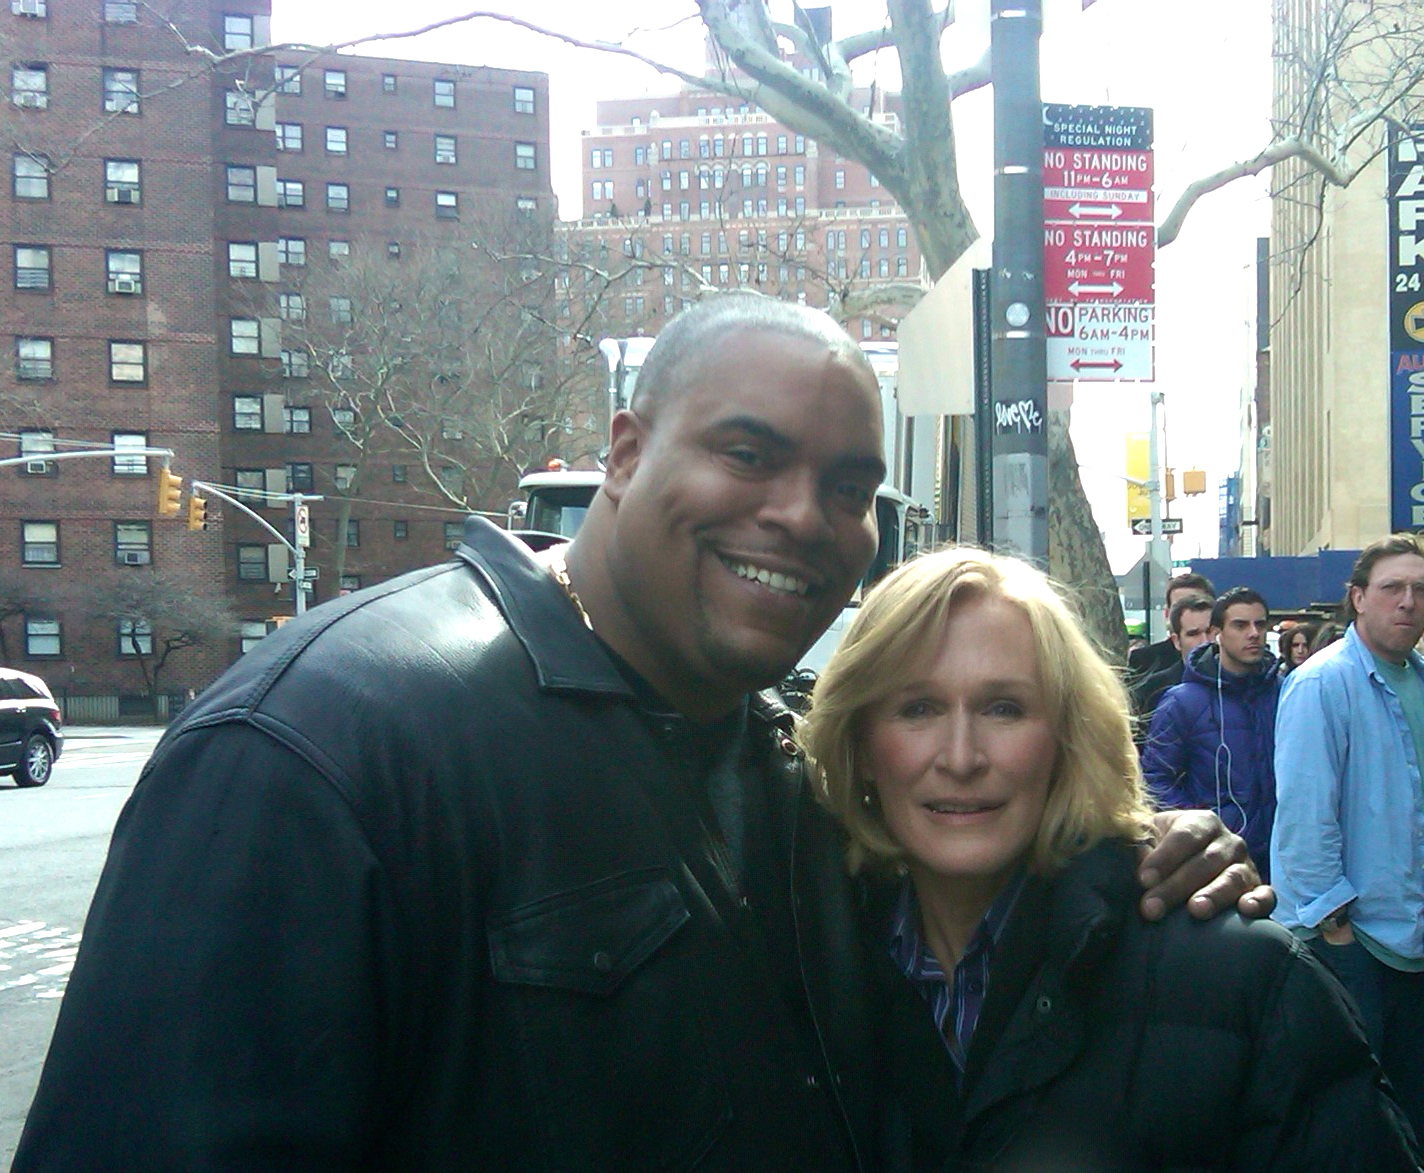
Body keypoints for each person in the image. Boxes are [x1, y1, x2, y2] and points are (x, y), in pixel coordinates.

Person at [13, 295, 1269, 1173]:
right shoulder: (325, 747)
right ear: (623, 451)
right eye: (747, 454)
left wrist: (1131, 852)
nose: (801, 517)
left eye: (847, 490)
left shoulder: (771, 768)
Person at [800, 548, 1418, 1173]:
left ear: (1068, 740)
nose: (961, 757)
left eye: (1003, 708)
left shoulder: (1248, 979)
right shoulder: (802, 955)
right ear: (860, 743)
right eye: (918, 709)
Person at [1273, 533, 1424, 1138]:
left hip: (1410, 935)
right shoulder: (1322, 684)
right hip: (1354, 941)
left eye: (1419, 590)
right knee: (1356, 1116)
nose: (1408, 602)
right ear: (1357, 598)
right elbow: (1306, 822)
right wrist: (1337, 932)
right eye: (1392, 589)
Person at [1141, 586, 1280, 880]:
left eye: (1260, 624)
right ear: (1218, 632)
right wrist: (1199, 829)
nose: (1253, 633)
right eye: (1240, 625)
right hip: (1218, 861)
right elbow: (1154, 779)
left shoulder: (1285, 691)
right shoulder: (1182, 702)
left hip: (1285, 858)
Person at [1129, 593, 1214, 723]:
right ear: (1177, 641)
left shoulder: (1245, 683)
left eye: (1210, 632)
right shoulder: (1154, 691)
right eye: (1193, 634)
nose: (1205, 641)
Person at [1126, 571, 1214, 683]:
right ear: (1167, 613)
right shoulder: (1144, 660)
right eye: (1179, 605)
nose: (1187, 611)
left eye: (1196, 604)